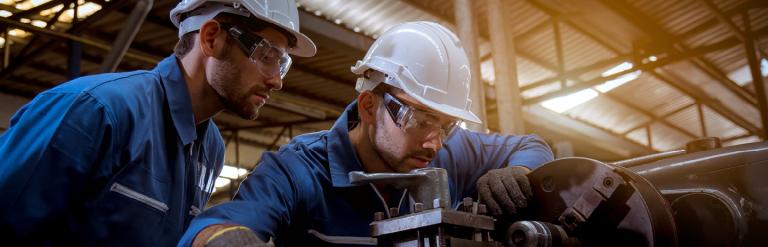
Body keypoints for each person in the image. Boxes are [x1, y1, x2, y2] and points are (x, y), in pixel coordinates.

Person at [179, 21, 553, 246]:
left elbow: (531, 145)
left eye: (447, 124)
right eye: (419, 119)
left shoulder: (449, 149)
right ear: (369, 106)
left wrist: (521, 172)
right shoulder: (300, 170)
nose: (435, 142)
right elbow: (215, 225)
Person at [0, 0, 316, 245]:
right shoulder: (94, 112)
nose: (277, 81)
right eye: (267, 56)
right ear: (211, 39)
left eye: (282, 64)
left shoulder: (210, 147)